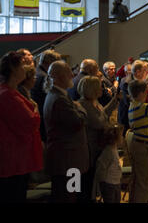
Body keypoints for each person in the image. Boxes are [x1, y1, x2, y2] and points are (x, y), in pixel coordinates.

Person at [43, 60, 89, 203]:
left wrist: (76, 106)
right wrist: (80, 107)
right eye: (68, 72)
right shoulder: (60, 99)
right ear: (58, 76)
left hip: (67, 159)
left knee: (68, 195)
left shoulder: (59, 95)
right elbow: (79, 121)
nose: (72, 74)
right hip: (68, 161)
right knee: (68, 197)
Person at [0, 51, 43, 203]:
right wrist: (35, 110)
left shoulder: (10, 92)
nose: (25, 69)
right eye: (22, 66)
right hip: (13, 161)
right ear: (14, 70)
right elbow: (30, 122)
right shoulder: (7, 95)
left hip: (15, 160)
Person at [78, 75, 120, 202]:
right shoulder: (84, 105)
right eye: (100, 87)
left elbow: (103, 114)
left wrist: (115, 100)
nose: (102, 89)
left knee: (94, 185)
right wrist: (111, 127)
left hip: (98, 148)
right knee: (88, 185)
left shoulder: (94, 103)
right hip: (90, 150)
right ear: (93, 89)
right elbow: (99, 122)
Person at [30, 50, 62, 142]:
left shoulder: (37, 72)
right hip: (43, 118)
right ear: (49, 63)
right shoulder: (44, 77)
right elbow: (49, 99)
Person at [118, 60, 148, 135]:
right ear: (138, 71)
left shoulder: (139, 80)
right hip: (128, 118)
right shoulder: (127, 83)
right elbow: (129, 102)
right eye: (145, 71)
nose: (147, 73)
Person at [94, 125, 123, 203]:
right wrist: (102, 184)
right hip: (109, 183)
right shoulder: (109, 151)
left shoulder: (114, 148)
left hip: (116, 182)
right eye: (121, 136)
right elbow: (101, 167)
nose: (122, 138)